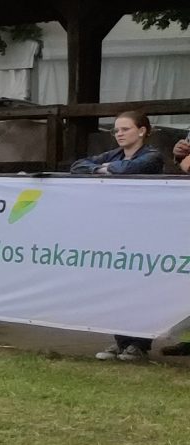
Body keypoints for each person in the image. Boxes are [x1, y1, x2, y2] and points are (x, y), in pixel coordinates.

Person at [73, 110, 168, 358]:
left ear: (142, 131)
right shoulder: (113, 154)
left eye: (125, 129)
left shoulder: (152, 156)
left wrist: (108, 168)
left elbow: (133, 168)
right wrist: (102, 169)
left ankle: (139, 343)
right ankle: (120, 338)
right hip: (118, 226)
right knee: (117, 284)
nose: (119, 134)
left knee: (141, 287)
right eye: (116, 130)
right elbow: (78, 165)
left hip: (145, 227)